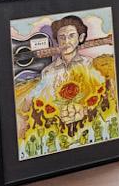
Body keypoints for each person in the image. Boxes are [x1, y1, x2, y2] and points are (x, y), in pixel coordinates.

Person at [16, 15, 112, 153]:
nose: (66, 41)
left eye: (71, 36)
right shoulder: (48, 72)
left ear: (80, 38)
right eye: (62, 37)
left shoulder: (90, 65)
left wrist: (85, 110)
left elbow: (103, 96)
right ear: (57, 41)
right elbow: (35, 99)